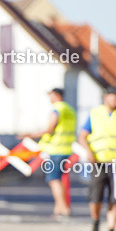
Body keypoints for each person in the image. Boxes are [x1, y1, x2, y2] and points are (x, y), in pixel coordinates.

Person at [77, 86, 116, 231]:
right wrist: (89, 153)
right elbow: (82, 136)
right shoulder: (95, 113)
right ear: (106, 97)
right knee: (96, 196)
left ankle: (111, 228)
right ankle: (96, 220)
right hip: (99, 161)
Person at [35, 88, 77, 217]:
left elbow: (49, 129)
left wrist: (31, 134)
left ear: (57, 95)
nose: (50, 98)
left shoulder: (57, 109)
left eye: (51, 95)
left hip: (56, 150)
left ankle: (63, 208)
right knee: (59, 179)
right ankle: (59, 208)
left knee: (53, 179)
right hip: (67, 149)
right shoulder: (70, 109)